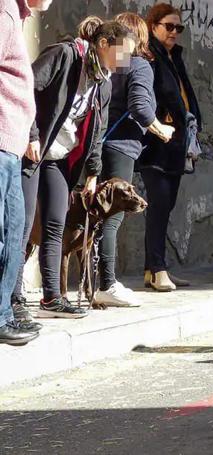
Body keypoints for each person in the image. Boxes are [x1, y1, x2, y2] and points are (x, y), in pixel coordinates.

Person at [11, 19, 130, 320]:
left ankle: (52, 298)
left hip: (59, 157)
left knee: (55, 224)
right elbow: (26, 88)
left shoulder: (102, 82)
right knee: (23, 226)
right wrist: (31, 135)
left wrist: (93, 172)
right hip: (31, 150)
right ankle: (11, 299)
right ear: (103, 44)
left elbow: (97, 131)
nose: (125, 62)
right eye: (122, 53)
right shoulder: (65, 56)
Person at [95, 12, 175, 306]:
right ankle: (107, 284)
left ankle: (91, 282)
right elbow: (141, 106)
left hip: (94, 145)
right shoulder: (139, 65)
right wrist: (161, 128)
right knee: (112, 218)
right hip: (120, 148)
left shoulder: (106, 65)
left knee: (91, 216)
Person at [0, 0, 54, 344]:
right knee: (6, 232)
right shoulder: (4, 12)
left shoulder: (14, 14)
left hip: (11, 144)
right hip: (2, 139)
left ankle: (4, 313)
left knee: (14, 231)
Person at [138, 3, 201, 292]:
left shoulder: (174, 56)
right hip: (156, 142)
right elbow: (149, 95)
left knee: (167, 206)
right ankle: (157, 268)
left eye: (179, 28)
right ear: (154, 26)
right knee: (159, 207)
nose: (175, 32)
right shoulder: (149, 55)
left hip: (176, 141)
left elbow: (183, 92)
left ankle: (154, 269)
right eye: (169, 26)